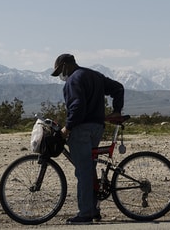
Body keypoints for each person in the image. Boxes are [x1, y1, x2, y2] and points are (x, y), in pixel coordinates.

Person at [51, 53, 124, 224]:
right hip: (97, 128)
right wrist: (117, 110)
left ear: (65, 65)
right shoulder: (94, 75)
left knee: (83, 170)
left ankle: (85, 214)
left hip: (81, 128)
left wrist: (67, 128)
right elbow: (118, 88)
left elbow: (77, 107)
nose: (61, 76)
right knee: (89, 168)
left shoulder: (74, 80)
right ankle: (94, 209)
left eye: (60, 72)